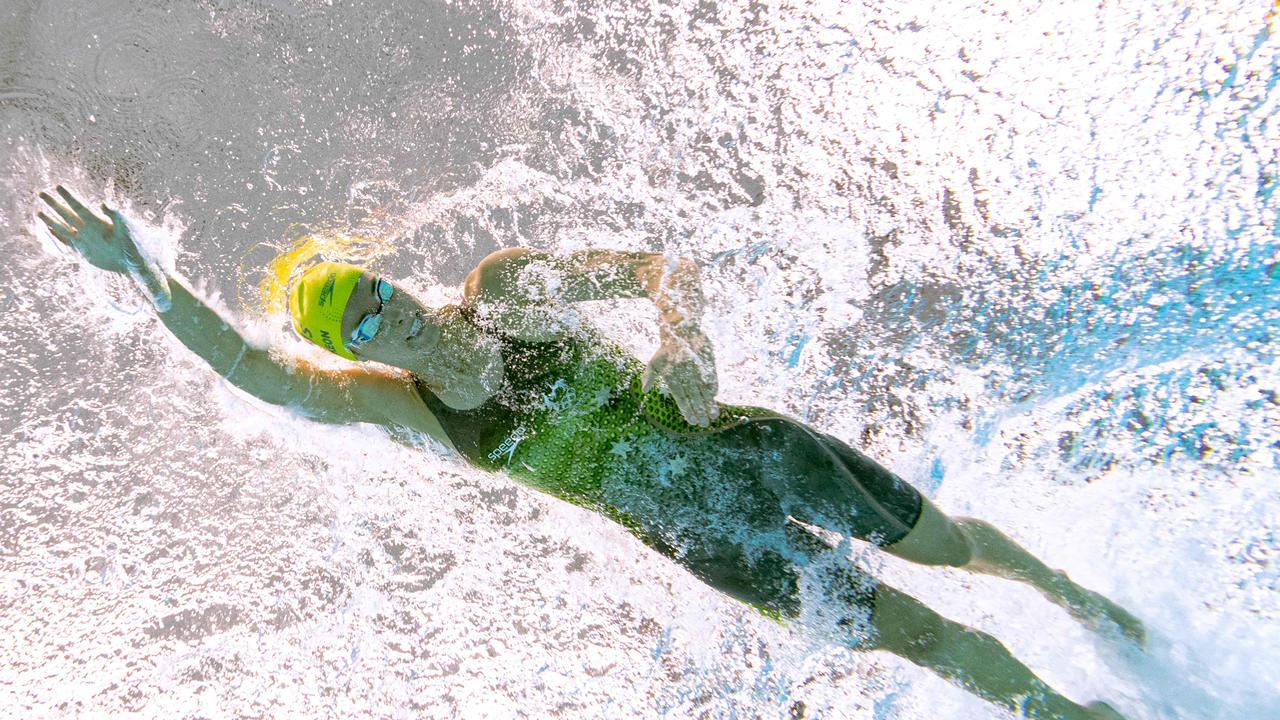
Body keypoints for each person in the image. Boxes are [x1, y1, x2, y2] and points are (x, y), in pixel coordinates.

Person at [38, 185, 1142, 719]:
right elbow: (247, 369)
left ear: (386, 273)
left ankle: (1061, 589)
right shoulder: (414, 413)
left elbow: (662, 270)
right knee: (919, 639)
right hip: (705, 541)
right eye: (355, 324)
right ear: (351, 352)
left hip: (752, 453)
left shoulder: (508, 289)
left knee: (946, 550)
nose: (382, 316)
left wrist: (682, 342)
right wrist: (137, 271)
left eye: (371, 289)